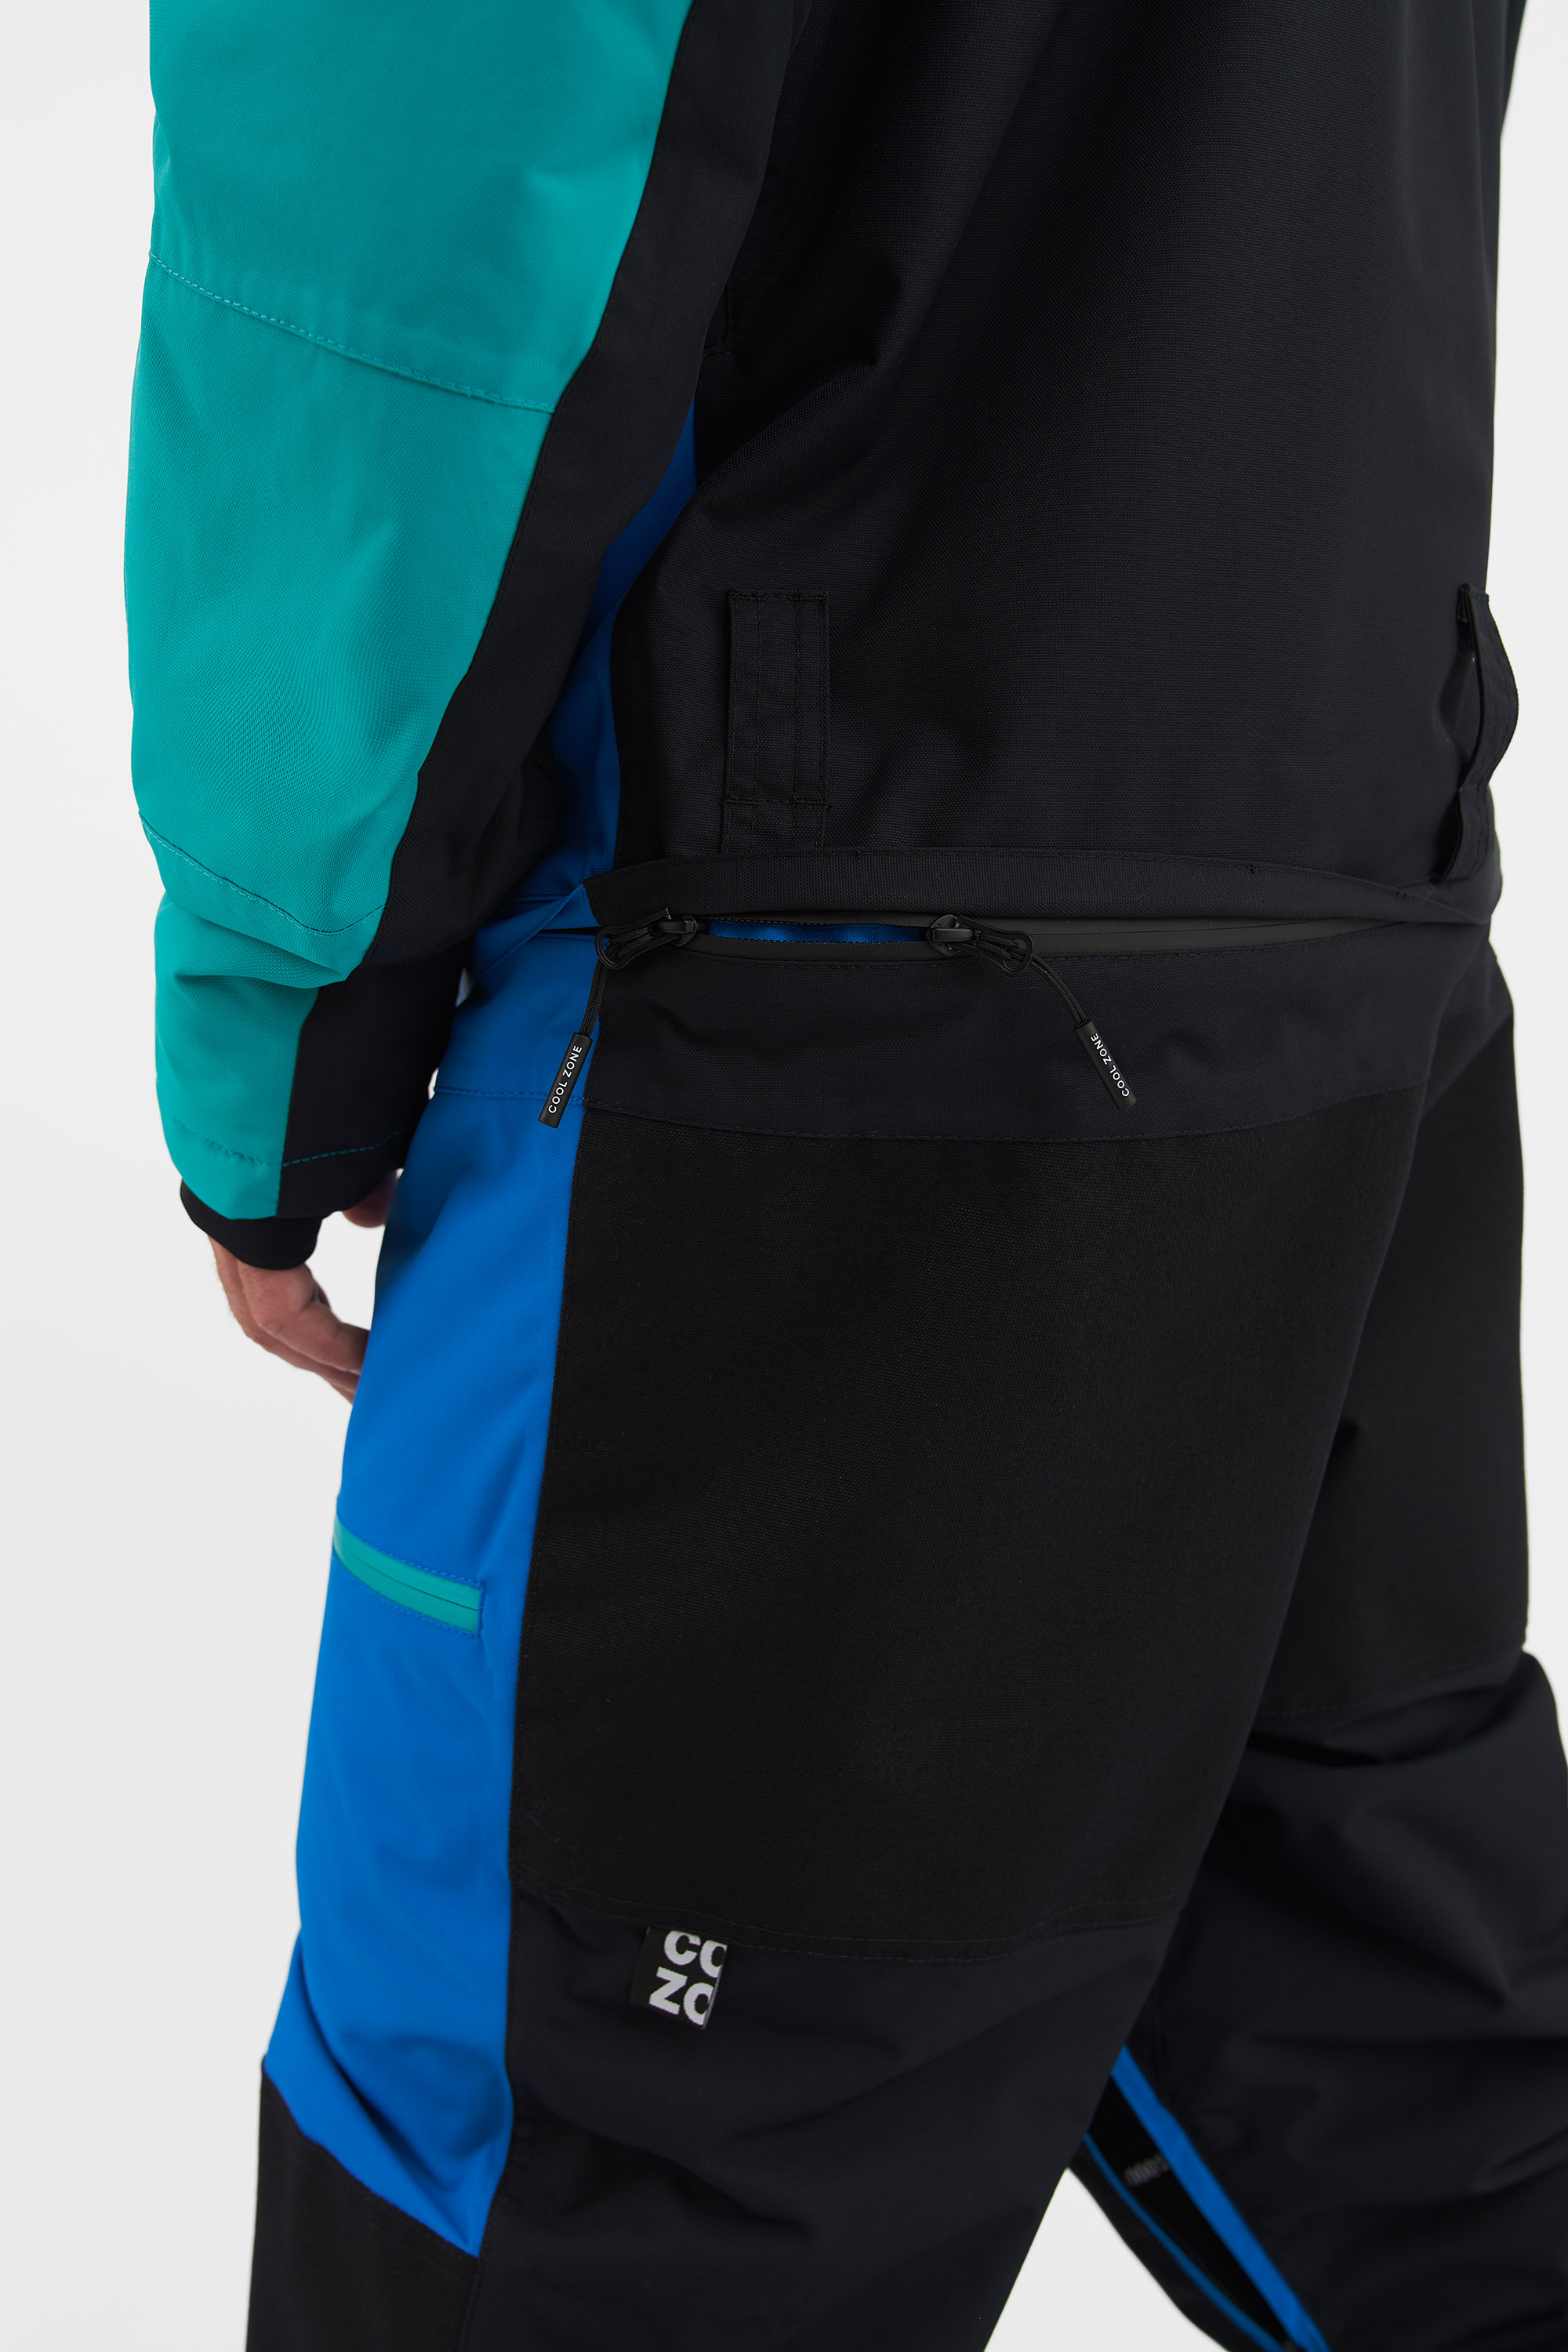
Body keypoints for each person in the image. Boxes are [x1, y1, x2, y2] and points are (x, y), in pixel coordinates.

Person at [126, 3, 1567, 2347]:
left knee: (580, 2189)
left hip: (800, 1007)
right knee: (1408, 2087)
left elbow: (419, 195)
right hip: (1336, 920)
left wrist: (286, 1018)